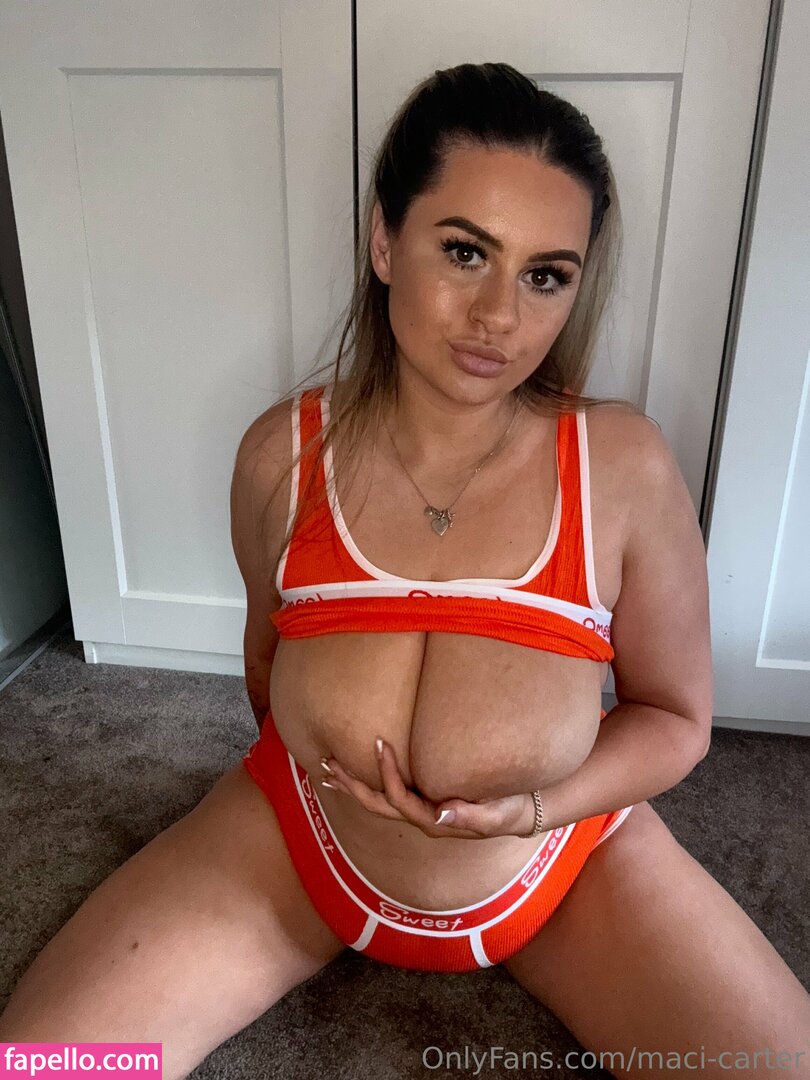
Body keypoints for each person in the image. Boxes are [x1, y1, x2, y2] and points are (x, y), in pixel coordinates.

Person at [1, 61, 808, 1080]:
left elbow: (676, 718)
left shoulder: (623, 468)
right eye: (466, 251)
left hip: (565, 865)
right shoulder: (282, 459)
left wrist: (532, 810)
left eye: (546, 275)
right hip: (302, 849)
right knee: (46, 1068)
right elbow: (266, 666)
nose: (499, 315)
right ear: (384, 240)